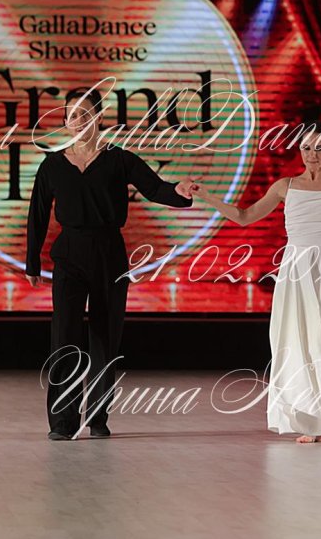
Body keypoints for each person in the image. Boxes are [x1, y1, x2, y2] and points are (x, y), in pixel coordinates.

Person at [192, 121, 321, 443]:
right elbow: (245, 216)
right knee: (296, 342)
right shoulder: (285, 186)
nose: (312, 154)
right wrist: (208, 197)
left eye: (319, 148)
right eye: (306, 148)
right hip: (294, 272)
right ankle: (313, 420)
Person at [25, 96, 199, 440]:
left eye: (85, 114)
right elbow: (38, 213)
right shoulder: (53, 165)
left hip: (109, 255)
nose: (78, 120)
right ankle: (62, 423)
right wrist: (32, 261)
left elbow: (155, 188)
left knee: (105, 338)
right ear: (66, 121)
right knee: (64, 338)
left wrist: (179, 192)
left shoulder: (119, 159)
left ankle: (98, 417)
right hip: (69, 255)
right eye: (72, 115)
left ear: (98, 117)